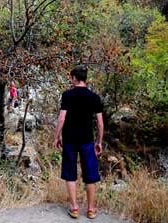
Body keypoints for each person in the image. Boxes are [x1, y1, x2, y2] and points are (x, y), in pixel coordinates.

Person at [54, 65, 103, 220]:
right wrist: (99, 141)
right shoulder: (94, 97)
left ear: (74, 78)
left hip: (69, 139)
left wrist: (56, 137)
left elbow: (62, 118)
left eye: (71, 78)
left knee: (70, 172)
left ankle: (74, 208)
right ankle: (91, 209)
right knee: (90, 174)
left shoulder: (67, 95)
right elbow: (100, 123)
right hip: (87, 140)